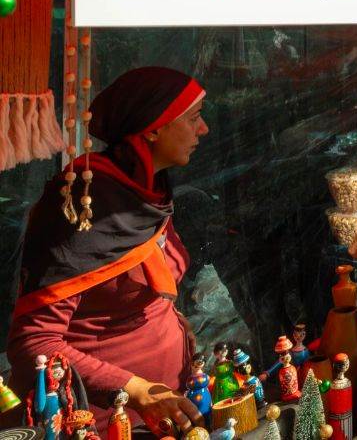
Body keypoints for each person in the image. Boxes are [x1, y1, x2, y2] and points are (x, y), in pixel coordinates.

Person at [8, 68, 208, 436]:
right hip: (107, 423)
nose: (204, 129)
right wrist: (135, 391)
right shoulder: (83, 207)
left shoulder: (147, 191)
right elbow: (34, 344)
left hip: (172, 408)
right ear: (153, 130)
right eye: (194, 118)